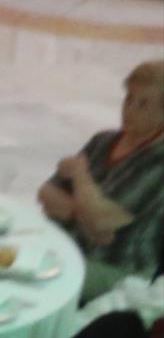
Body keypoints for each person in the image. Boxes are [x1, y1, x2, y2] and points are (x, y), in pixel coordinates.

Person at [38, 59, 164, 297]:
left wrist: (80, 176)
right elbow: (46, 193)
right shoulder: (103, 141)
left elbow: (101, 222)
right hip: (68, 244)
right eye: (129, 98)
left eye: (143, 104)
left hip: (115, 268)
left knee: (37, 275)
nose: (129, 110)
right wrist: (82, 213)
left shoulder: (158, 163)